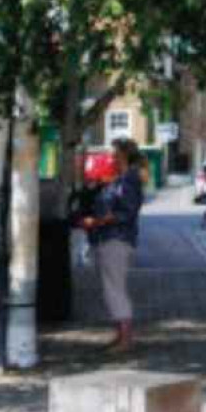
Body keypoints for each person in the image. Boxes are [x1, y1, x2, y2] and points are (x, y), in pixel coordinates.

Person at [79, 138, 145, 353]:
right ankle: (120, 336)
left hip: (116, 240)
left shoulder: (128, 181)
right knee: (111, 289)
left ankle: (125, 339)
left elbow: (125, 213)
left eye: (115, 154)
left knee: (115, 289)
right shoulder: (119, 180)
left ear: (124, 156)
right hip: (106, 238)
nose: (112, 158)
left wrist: (95, 222)